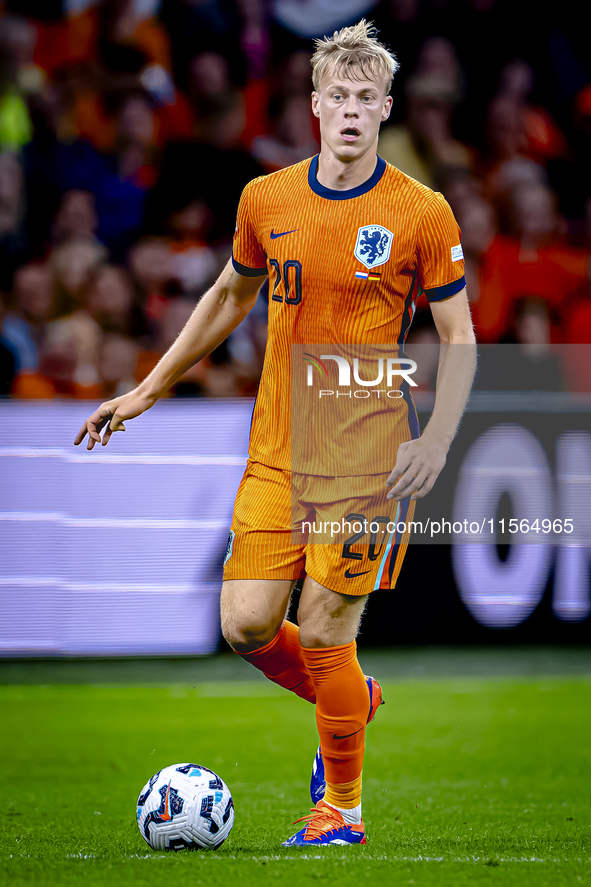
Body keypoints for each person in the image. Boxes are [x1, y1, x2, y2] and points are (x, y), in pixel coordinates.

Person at [74, 21, 476, 847]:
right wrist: (148, 386)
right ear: (315, 107)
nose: (353, 112)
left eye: (368, 99)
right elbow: (227, 295)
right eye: (339, 98)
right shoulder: (266, 199)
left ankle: (342, 809)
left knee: (328, 627)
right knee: (246, 624)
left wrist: (433, 439)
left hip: (367, 454)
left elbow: (460, 336)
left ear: (386, 108)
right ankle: (349, 698)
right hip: (276, 450)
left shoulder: (420, 212)